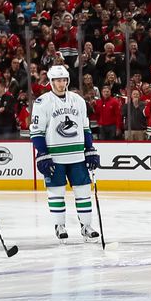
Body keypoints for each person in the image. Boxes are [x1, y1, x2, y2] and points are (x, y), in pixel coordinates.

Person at [30, 66, 101, 243]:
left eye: (64, 80)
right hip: (55, 157)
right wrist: (43, 153)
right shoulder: (42, 102)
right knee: (56, 192)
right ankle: (59, 226)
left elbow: (85, 128)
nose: (61, 84)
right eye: (57, 80)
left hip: (77, 155)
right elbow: (36, 131)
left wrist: (90, 148)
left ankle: (86, 226)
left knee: (83, 191)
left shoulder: (78, 100)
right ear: (51, 82)